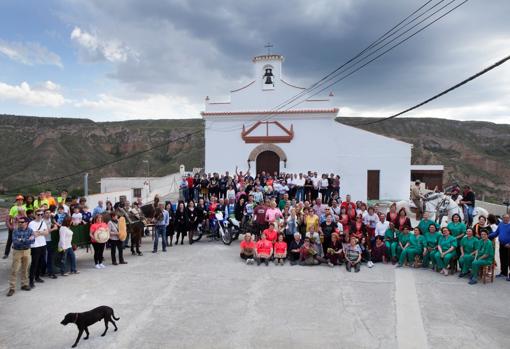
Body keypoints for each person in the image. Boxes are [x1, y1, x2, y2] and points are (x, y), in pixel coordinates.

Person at [7, 216, 35, 296]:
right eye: (19, 222)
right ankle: (12, 288)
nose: (20, 223)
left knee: (25, 269)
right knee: (14, 270)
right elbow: (15, 242)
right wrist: (27, 240)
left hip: (27, 251)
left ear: (26, 223)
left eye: (22, 222)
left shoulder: (30, 230)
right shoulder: (15, 231)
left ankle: (24, 284)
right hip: (17, 251)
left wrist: (22, 240)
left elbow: (33, 240)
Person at [28, 209, 48, 288]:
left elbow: (46, 233)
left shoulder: (43, 222)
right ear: (35, 215)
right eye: (38, 214)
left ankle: (37, 277)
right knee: (34, 263)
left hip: (43, 244)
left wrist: (39, 232)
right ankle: (31, 281)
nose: (40, 216)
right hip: (35, 245)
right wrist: (41, 232)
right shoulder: (31, 223)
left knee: (41, 262)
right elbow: (34, 234)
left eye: (41, 214)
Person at [3, 195, 26, 259]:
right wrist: (10, 226)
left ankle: (20, 254)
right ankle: (6, 254)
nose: (20, 201)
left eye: (21, 200)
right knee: (10, 240)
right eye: (19, 200)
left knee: (20, 240)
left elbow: (25, 216)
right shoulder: (13, 208)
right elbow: (10, 217)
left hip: (22, 226)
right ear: (17, 201)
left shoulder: (24, 207)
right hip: (14, 226)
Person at [489, 214, 510, 280]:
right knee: (502, 259)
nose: (505, 219)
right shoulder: (500, 224)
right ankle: (503, 273)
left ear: (509, 218)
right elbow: (496, 233)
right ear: (502, 218)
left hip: (509, 246)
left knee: (509, 260)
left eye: (507, 218)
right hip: (502, 244)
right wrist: (488, 235)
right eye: (504, 218)